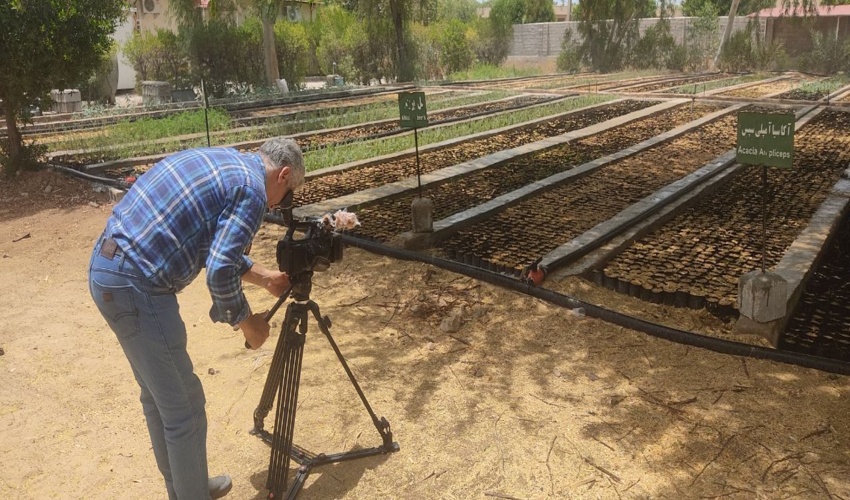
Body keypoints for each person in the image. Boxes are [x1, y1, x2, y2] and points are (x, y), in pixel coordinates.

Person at [88, 137, 305, 499]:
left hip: (109, 269)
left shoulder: (230, 163)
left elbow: (210, 244)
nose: (280, 204)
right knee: (184, 408)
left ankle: (187, 486)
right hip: (136, 284)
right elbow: (219, 271)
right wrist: (249, 324)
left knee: (160, 398)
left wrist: (264, 276)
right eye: (288, 196)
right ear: (283, 175)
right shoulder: (252, 192)